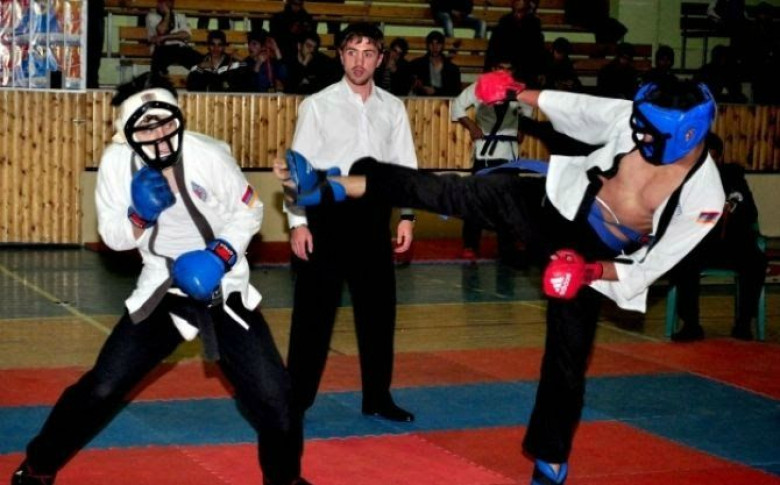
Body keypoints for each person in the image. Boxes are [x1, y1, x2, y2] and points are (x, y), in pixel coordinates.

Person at [275, 74, 725, 485]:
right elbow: (579, 109)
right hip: (555, 203)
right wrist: (516, 93)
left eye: (650, 134)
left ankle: (550, 460)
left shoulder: (703, 198)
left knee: (568, 360)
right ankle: (330, 186)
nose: (639, 136)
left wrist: (588, 271)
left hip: (593, 258)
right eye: (639, 127)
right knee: (455, 190)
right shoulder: (637, 119)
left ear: (686, 134)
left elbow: (650, 267)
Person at [10, 73, 310, 485]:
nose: (161, 137)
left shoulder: (208, 154)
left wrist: (220, 255)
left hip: (223, 285)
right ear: (128, 133)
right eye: (148, 129)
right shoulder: (117, 164)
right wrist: (139, 215)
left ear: (178, 118)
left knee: (276, 396)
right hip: (162, 287)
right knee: (103, 387)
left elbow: (250, 209)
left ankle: (285, 480)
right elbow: (113, 237)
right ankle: (37, 467)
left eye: (166, 123)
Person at [283, 22, 418, 466]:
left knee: (379, 314)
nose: (360, 61)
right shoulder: (318, 105)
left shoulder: (393, 108)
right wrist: (298, 222)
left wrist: (408, 216)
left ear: (380, 58)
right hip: (325, 216)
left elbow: (404, 167)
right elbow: (299, 167)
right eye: (352, 52)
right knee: (312, 318)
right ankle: (295, 401)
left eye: (368, 53)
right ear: (341, 55)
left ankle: (378, 396)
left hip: (373, 218)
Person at [667, 133, 767, 342]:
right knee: (681, 260)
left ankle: (743, 323)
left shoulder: (733, 176)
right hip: (699, 244)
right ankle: (691, 324)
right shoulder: (683, 178)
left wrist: (732, 207)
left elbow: (751, 213)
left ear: (720, 158)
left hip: (733, 243)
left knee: (756, 261)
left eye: (713, 159)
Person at [451, 59, 532, 261]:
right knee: (476, 199)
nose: (504, 72)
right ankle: (470, 244)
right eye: (500, 68)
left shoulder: (519, 90)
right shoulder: (480, 86)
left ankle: (507, 245)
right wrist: (471, 126)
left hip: (509, 154)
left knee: (508, 202)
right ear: (494, 69)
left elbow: (528, 112)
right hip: (485, 153)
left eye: (509, 69)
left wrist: (522, 128)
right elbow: (458, 105)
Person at [485, 0, 547, 86]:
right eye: (517, 11)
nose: (519, 14)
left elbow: (538, 49)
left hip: (526, 67)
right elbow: (493, 48)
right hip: (507, 65)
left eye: (522, 11)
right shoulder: (504, 21)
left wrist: (541, 71)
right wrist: (488, 70)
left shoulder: (534, 23)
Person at [146, 0, 203, 77]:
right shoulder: (152, 16)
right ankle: (159, 81)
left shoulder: (180, 16)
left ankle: (199, 80)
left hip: (179, 48)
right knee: (158, 67)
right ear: (158, 3)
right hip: (162, 49)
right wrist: (167, 14)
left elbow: (186, 35)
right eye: (163, 2)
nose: (166, 4)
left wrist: (163, 37)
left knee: (202, 62)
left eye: (169, 2)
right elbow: (162, 30)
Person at [409, 30, 462, 96]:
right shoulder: (417, 64)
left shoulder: (453, 69)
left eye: (438, 44)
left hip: (445, 101)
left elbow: (456, 92)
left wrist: (436, 91)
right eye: (431, 44)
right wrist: (415, 84)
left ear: (443, 45)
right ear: (427, 45)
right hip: (423, 101)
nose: (435, 47)